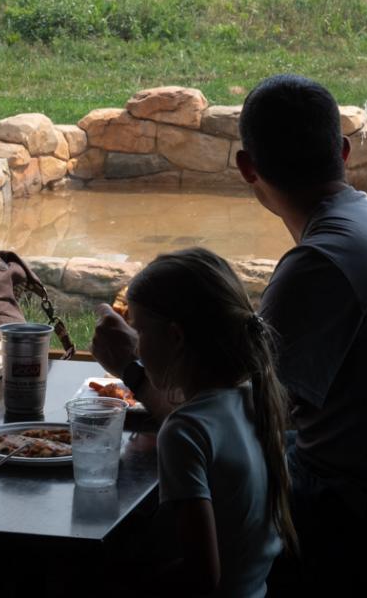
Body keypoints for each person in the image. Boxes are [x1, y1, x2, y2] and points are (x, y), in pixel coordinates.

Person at [94, 73, 367, 589]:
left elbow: (233, 425)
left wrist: (133, 366)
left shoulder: (320, 264)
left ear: (248, 167)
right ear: (344, 150)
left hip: (358, 530)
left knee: (131, 544)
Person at [126, 248, 295, 598]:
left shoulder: (184, 431)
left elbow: (202, 578)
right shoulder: (255, 397)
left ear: (175, 337)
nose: (137, 351)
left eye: (139, 332)